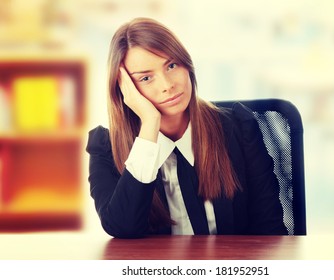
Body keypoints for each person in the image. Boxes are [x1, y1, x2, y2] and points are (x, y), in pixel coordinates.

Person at [86, 17, 287, 238]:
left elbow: (270, 231)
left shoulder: (240, 129)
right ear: (124, 89)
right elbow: (122, 228)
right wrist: (149, 126)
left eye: (172, 65)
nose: (167, 85)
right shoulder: (105, 147)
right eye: (145, 78)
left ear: (186, 64)